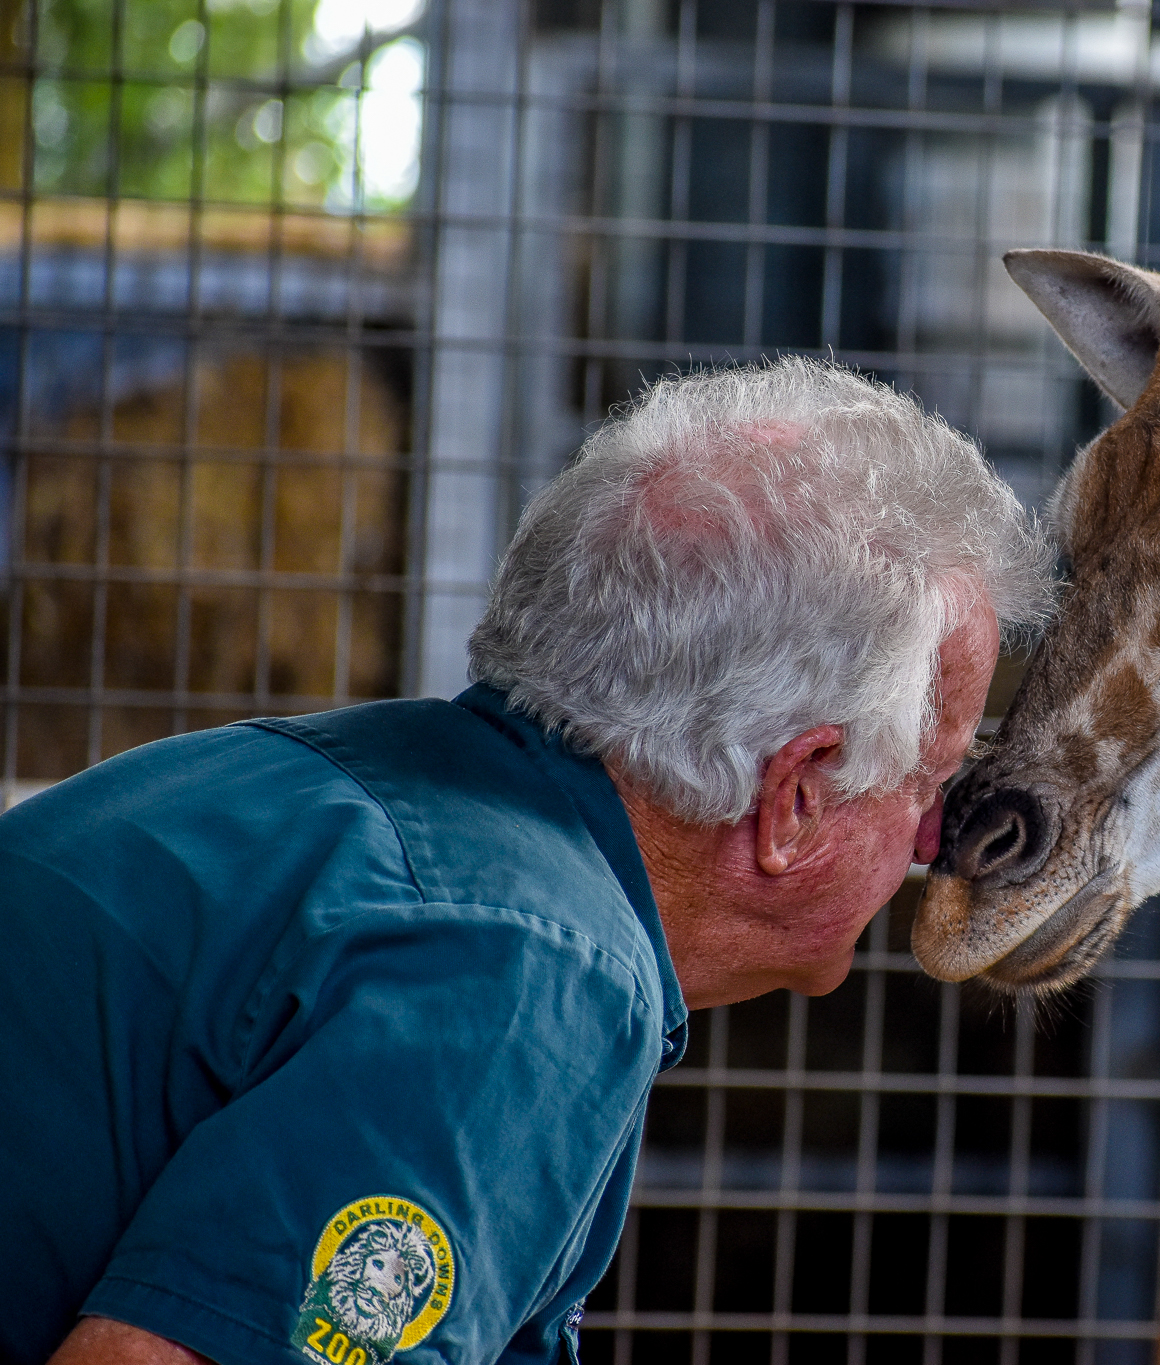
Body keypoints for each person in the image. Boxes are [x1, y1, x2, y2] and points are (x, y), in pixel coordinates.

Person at [0, 358, 1053, 1365]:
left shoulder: (346, 793)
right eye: (931, 777)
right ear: (797, 797)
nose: (931, 837)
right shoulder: (530, 969)